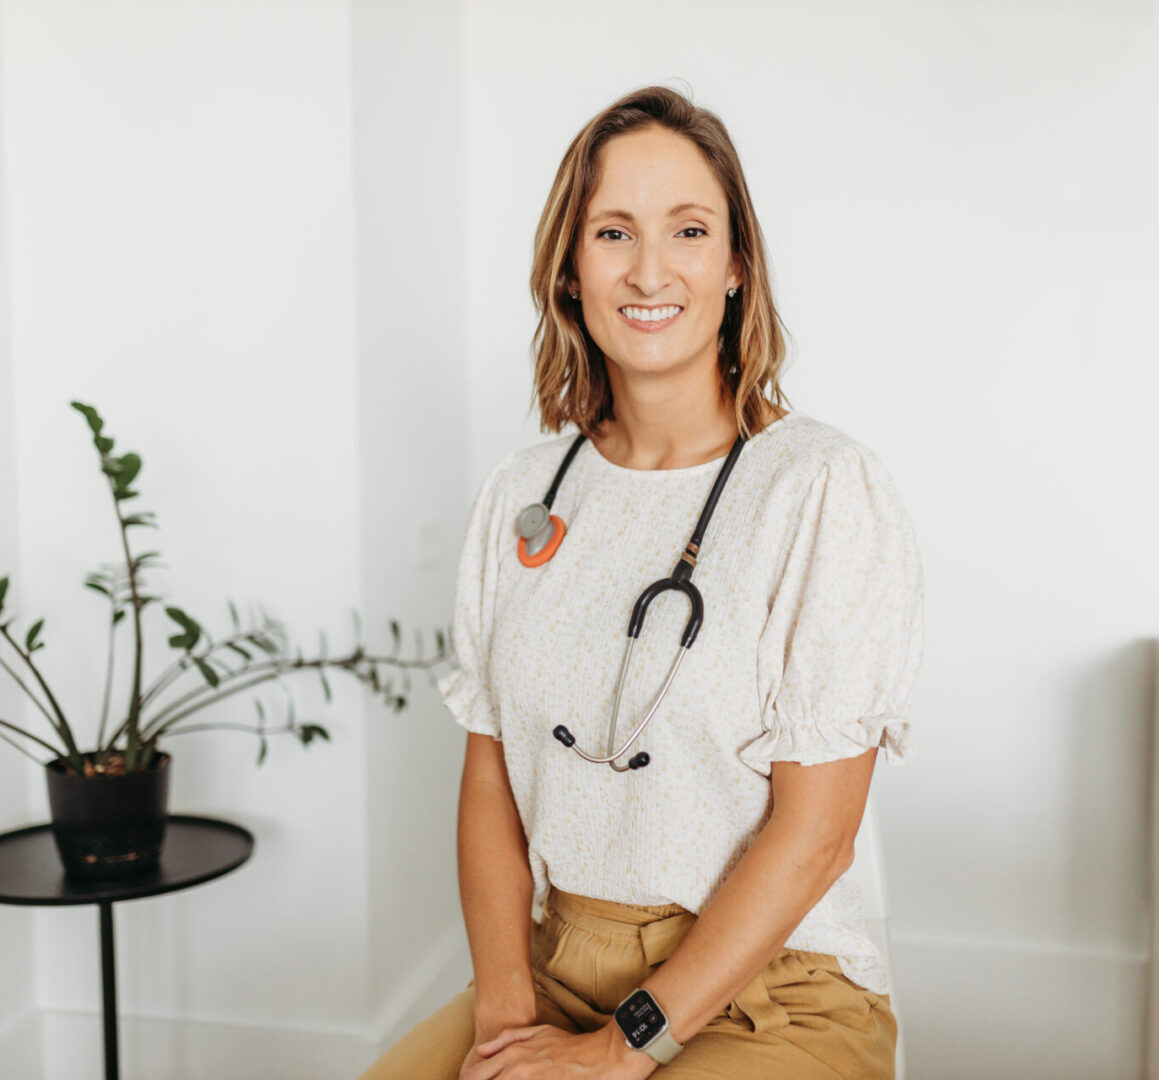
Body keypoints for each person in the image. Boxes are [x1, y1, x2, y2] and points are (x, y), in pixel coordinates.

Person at [360, 84, 925, 1080]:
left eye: (689, 230)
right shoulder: (523, 493)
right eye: (613, 232)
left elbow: (818, 834)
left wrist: (614, 1055)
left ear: (736, 264)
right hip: (556, 968)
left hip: (772, 993)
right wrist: (503, 1020)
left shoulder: (821, 488)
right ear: (569, 269)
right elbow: (488, 775)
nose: (650, 269)